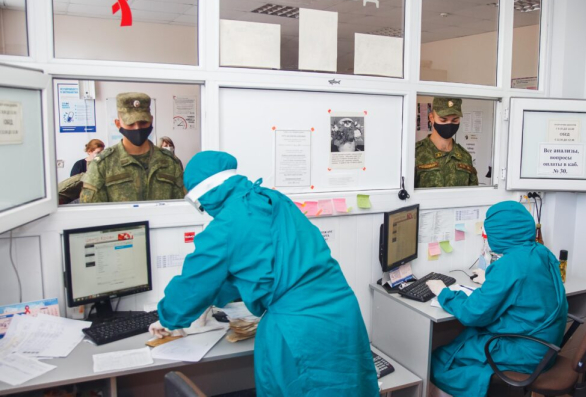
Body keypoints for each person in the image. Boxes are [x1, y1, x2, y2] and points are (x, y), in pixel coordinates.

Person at [149, 151, 379, 397]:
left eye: (200, 204)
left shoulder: (226, 225)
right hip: (342, 312)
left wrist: (167, 318)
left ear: (205, 193)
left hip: (299, 329)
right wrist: (213, 298)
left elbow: (193, 284)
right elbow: (259, 266)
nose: (204, 209)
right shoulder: (273, 199)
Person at [426, 201, 568, 397]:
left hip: (524, 353)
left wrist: (444, 292)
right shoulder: (541, 251)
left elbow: (472, 313)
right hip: (546, 349)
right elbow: (527, 286)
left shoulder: (509, 265)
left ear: (500, 234)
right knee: (462, 342)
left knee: (439, 361)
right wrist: (491, 279)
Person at [80, 92, 184, 203]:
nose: (137, 128)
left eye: (143, 122)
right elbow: (92, 209)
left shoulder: (170, 162)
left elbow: (181, 205)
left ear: (151, 121)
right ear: (118, 124)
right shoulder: (103, 164)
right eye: (130, 124)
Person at [414, 97, 478, 188]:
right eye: (443, 120)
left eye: (455, 120)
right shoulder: (416, 153)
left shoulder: (465, 157)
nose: (449, 124)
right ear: (431, 118)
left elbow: (473, 193)